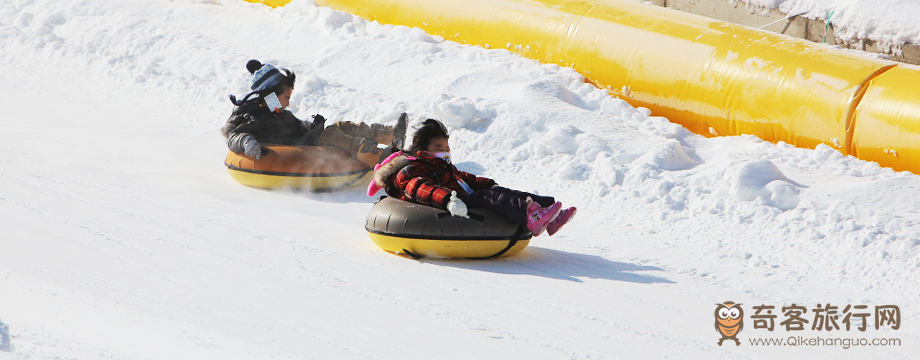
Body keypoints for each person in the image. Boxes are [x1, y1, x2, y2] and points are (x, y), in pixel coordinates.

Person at [373, 119, 576, 236]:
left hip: (459, 196)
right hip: (452, 202)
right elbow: (419, 187)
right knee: (483, 197)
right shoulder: (411, 170)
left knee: (496, 192)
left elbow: (465, 179)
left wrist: (488, 184)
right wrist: (448, 200)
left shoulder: (443, 166)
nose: (445, 152)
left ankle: (550, 214)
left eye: (447, 148)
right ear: (423, 151)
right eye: (439, 148)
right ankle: (532, 217)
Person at [221, 60, 407, 164]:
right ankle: (379, 157)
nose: (287, 103)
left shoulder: (277, 113)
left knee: (341, 126)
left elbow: (294, 127)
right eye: (286, 97)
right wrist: (247, 142)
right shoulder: (256, 117)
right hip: (300, 149)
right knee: (332, 134)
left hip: (304, 139)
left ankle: (392, 135)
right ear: (271, 96)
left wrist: (309, 125)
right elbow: (234, 136)